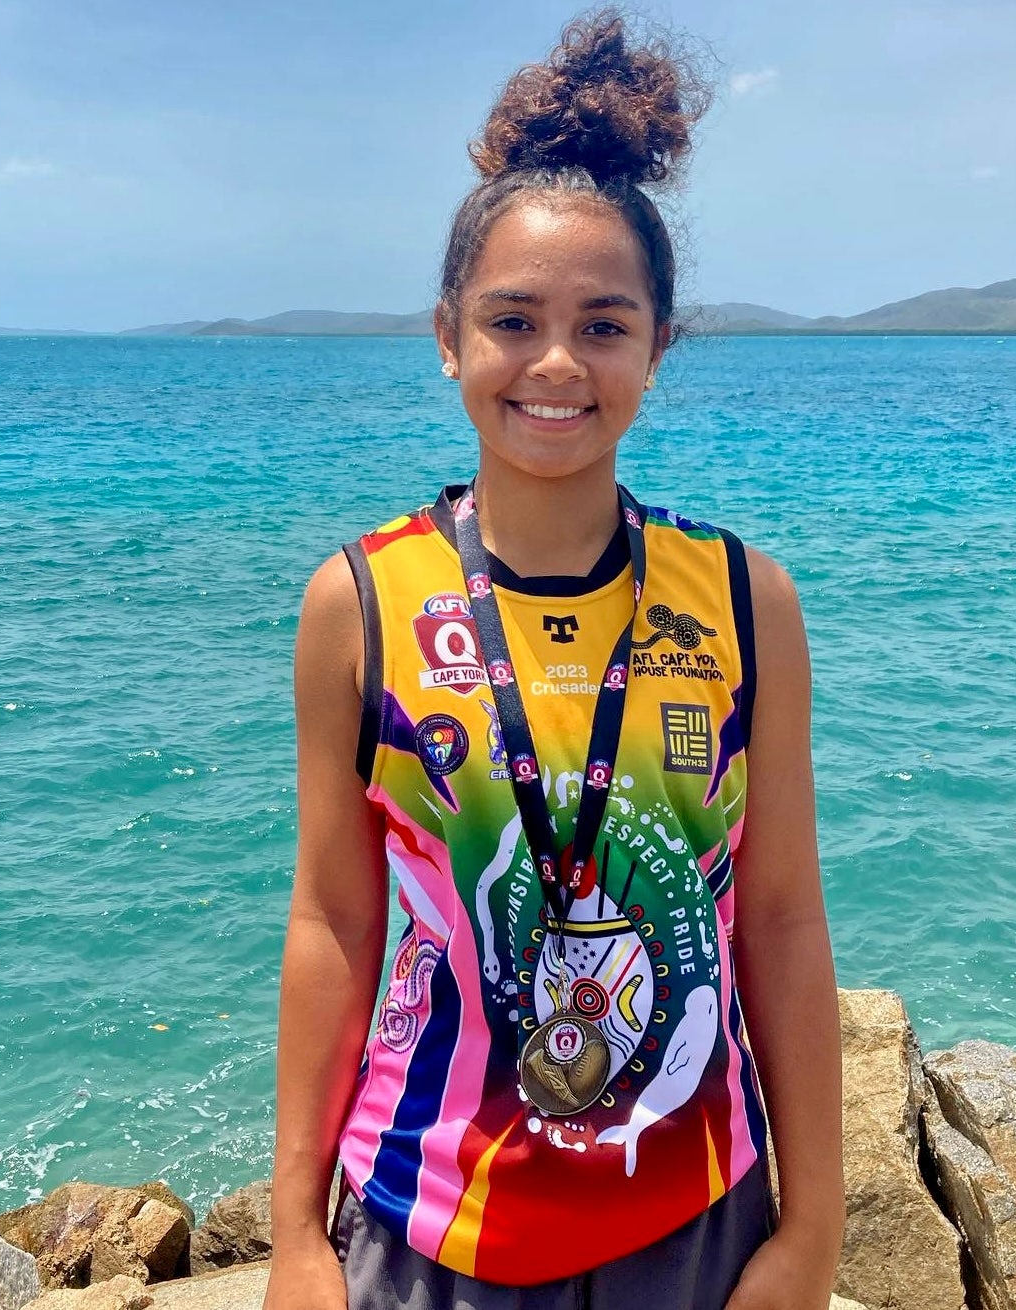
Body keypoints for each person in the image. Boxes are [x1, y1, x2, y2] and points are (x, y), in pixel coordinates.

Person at [265, 12, 843, 1309]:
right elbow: (334, 919)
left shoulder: (744, 600)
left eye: (604, 324)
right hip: (428, 1222)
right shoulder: (361, 602)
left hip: (695, 1211)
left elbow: (785, 921)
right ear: (448, 336)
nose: (557, 363)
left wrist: (812, 1232)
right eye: (512, 319)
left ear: (657, 345)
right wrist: (295, 1237)